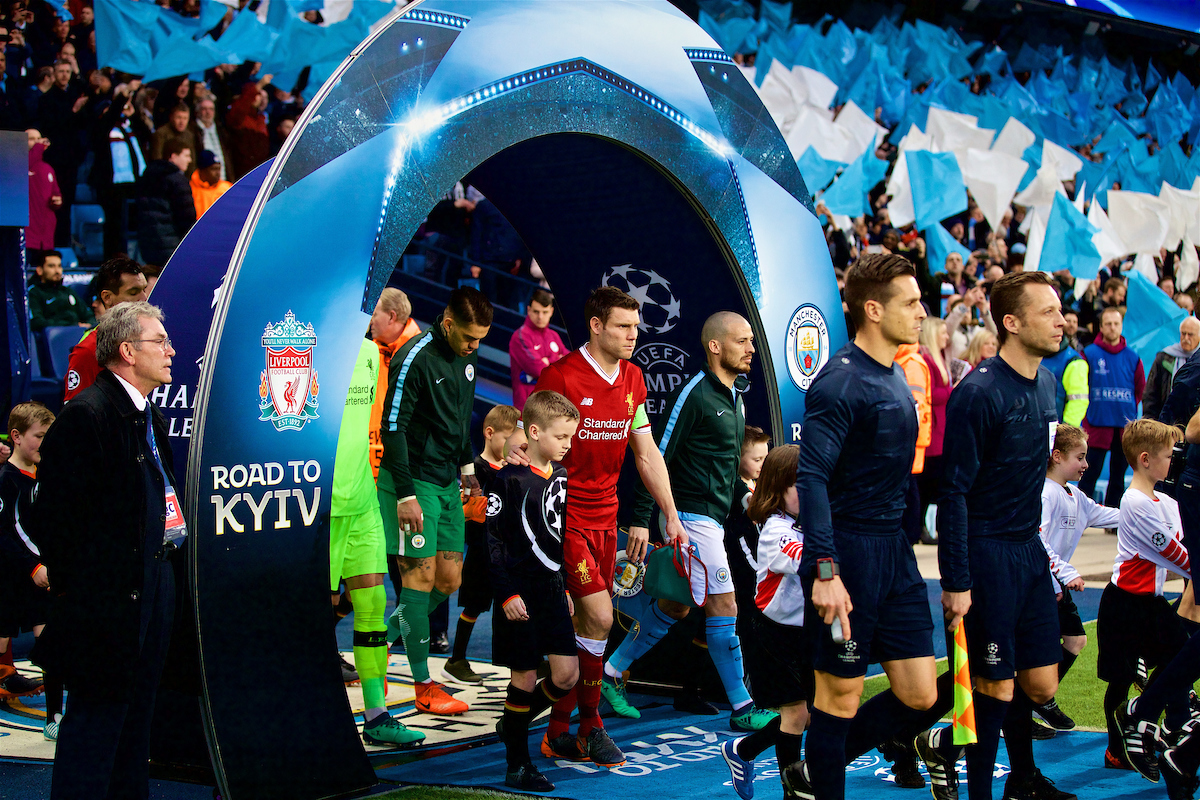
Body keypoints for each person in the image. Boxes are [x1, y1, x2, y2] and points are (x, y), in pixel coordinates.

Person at [504, 286, 687, 769]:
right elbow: (526, 440)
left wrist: (668, 511)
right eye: (625, 326)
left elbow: (645, 452)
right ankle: (591, 726)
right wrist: (515, 454)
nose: (635, 334)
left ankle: (557, 730)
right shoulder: (561, 375)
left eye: (637, 325)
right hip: (564, 521)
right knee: (602, 618)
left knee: (588, 628)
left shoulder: (633, 378)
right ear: (597, 325)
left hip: (608, 519)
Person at [786, 254, 938, 800]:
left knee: (921, 695)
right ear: (873, 309)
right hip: (846, 552)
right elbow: (813, 478)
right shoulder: (841, 381)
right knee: (840, 695)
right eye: (911, 302)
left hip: (894, 550)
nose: (923, 311)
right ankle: (820, 782)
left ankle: (811, 767)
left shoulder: (895, 369)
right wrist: (826, 569)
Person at [921, 271, 1071, 800]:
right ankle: (985, 789)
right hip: (986, 554)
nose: (1061, 320)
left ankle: (1001, 768)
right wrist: (956, 580)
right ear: (1011, 322)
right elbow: (954, 494)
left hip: (1029, 549)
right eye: (1048, 312)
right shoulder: (978, 393)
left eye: (1060, 309)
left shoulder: (1049, 384)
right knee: (994, 685)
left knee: (1041, 685)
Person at [31, 302, 181, 799]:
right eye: (159, 340)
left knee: (136, 723)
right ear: (126, 351)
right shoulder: (86, 417)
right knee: (97, 726)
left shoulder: (148, 414)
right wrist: (94, 594)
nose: (170, 349)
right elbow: (58, 523)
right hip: (108, 601)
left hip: (153, 582)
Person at [603, 311, 775, 731]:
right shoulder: (694, 393)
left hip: (713, 520)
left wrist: (751, 499)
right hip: (688, 518)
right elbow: (654, 457)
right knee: (725, 604)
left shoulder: (736, 396)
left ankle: (610, 673)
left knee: (676, 607)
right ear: (715, 346)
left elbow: (727, 465)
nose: (751, 348)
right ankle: (743, 708)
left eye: (751, 341)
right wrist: (644, 519)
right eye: (742, 341)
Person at [379, 287, 492, 717]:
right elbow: (394, 429)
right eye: (469, 337)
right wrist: (406, 494)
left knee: (449, 580)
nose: (475, 347)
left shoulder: (467, 354)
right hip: (413, 483)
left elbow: (461, 419)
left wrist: (468, 473)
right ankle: (424, 685)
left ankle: (379, 639)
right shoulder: (414, 357)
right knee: (419, 582)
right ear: (447, 324)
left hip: (447, 481)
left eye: (480, 339)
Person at [331, 334, 424, 748]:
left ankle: (377, 715)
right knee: (314, 614)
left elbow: (379, 424)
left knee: (372, 608)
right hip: (319, 504)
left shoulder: (370, 352)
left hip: (363, 499)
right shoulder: (309, 347)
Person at [487, 390, 581, 792]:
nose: (568, 444)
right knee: (523, 676)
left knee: (566, 675)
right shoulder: (507, 477)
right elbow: (491, 543)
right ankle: (517, 764)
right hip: (518, 592)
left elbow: (554, 534)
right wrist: (506, 594)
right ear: (536, 432)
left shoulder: (559, 474)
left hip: (551, 589)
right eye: (562, 437)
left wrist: (563, 583)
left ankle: (512, 724)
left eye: (571, 437)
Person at [1103, 420, 1193, 784]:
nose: (1174, 462)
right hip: (1124, 603)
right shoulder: (1134, 502)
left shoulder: (1165, 501)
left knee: (1182, 657)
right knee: (1120, 680)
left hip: (1152, 602)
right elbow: (1174, 553)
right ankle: (1116, 747)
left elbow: (1190, 538)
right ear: (1145, 459)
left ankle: (1163, 722)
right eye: (1169, 456)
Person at [721, 444, 811, 800]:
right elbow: (808, 561)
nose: (810, 492)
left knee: (816, 713)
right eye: (800, 485)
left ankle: (742, 751)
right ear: (777, 488)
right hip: (772, 634)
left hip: (805, 631)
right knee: (795, 713)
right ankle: (794, 791)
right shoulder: (776, 530)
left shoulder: (806, 520)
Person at [1036, 424, 1119, 735]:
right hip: (1040, 588)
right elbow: (1037, 538)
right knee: (1031, 657)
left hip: (1056, 587)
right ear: (1056, 456)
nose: (1086, 464)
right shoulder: (1046, 493)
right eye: (1080, 457)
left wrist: (1154, 513)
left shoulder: (1074, 494)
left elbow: (1108, 515)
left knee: (1075, 639)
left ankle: (1039, 699)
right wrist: (1064, 572)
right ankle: (1034, 701)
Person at [445, 403, 518, 685]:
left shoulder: (515, 469)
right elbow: (467, 510)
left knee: (514, 607)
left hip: (509, 553)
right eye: (507, 439)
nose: (514, 446)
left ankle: (527, 660)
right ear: (490, 433)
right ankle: (457, 659)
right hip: (481, 550)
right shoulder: (475, 469)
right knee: (474, 605)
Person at [0, 402, 56, 706]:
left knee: (49, 635)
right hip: (14, 572)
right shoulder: (6, 480)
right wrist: (33, 565)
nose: (44, 443)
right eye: (39, 436)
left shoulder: (44, 474)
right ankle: (4, 674)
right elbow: (5, 533)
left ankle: (54, 715)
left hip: (40, 569)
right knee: (3, 631)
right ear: (16, 437)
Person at [1079, 307, 1145, 509]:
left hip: (1123, 426)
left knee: (1118, 476)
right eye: (1108, 323)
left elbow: (1139, 388)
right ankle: (1080, 514)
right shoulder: (1088, 353)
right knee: (1089, 472)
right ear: (1101, 326)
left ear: (1121, 326)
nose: (1112, 327)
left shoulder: (1133, 357)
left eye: (1116, 323)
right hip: (1097, 423)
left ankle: (1112, 518)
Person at [63, 256, 148, 401]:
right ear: (107, 297)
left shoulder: (153, 341)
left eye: (144, 290)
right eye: (133, 292)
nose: (144, 299)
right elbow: (75, 416)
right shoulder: (88, 351)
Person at [918, 317, 952, 545]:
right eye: (943, 333)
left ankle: (929, 528)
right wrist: (954, 392)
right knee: (927, 486)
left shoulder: (939, 358)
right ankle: (922, 527)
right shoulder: (927, 361)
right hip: (933, 430)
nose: (947, 337)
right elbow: (931, 395)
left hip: (942, 428)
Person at [136, 140, 196, 265]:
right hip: (171, 245)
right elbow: (186, 217)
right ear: (173, 156)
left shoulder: (147, 176)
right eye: (186, 155)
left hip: (147, 244)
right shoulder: (177, 179)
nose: (189, 160)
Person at [509, 289, 566, 409]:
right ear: (528, 310)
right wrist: (557, 359)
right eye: (536, 311)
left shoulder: (554, 336)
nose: (540, 317)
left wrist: (548, 360)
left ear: (551, 311)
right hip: (527, 409)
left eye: (545, 312)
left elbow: (571, 364)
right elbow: (538, 369)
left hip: (550, 408)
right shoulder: (520, 336)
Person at [1144, 317, 1200, 422]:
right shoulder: (1165, 358)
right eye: (1183, 333)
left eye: (1190, 334)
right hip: (1167, 420)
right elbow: (1151, 395)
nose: (1186, 338)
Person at [27, 249, 88, 331]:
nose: (57, 271)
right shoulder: (34, 293)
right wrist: (71, 326)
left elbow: (88, 315)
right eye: (51, 266)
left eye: (59, 266)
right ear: (40, 270)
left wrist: (89, 324)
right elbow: (37, 322)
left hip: (76, 336)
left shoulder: (68, 292)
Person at [1041, 325, 1089, 426]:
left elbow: (1078, 403)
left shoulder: (1073, 362)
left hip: (1059, 433)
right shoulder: (1032, 354)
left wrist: (1066, 434)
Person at [25, 126, 61, 254]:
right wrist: (39, 147)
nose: (37, 142)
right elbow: (28, 162)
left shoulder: (48, 168)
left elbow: (56, 194)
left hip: (45, 236)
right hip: (28, 236)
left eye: (39, 139)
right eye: (32, 139)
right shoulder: (19, 164)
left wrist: (57, 201)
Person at [148, 102, 198, 171]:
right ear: (171, 117)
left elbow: (192, 162)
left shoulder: (189, 135)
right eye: (178, 117)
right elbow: (157, 160)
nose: (182, 122)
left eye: (185, 118)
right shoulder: (161, 134)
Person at [189, 149, 232, 218]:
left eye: (219, 169)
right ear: (203, 171)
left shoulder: (227, 188)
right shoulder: (190, 189)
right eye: (213, 169)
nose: (218, 173)